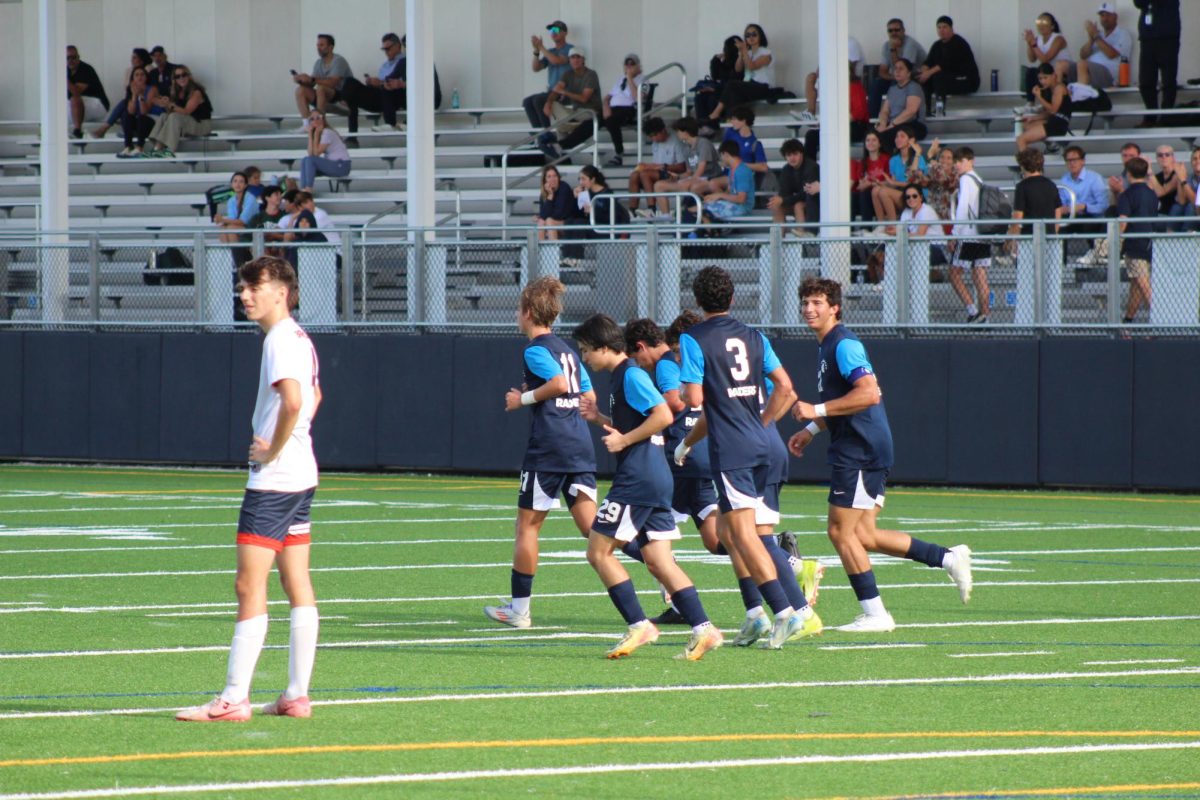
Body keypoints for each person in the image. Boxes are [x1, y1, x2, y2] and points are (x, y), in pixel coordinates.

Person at [175, 256, 321, 722]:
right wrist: (293, 441)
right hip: (302, 476)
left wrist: (272, 450)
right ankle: (296, 696)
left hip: (276, 481)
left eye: (253, 286)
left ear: (281, 290)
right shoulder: (299, 336)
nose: (245, 295)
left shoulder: (281, 338)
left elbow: (296, 400)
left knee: (247, 584)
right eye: (243, 287)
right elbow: (316, 396)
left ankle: (234, 698)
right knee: (296, 582)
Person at [789, 277, 971, 633]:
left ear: (835, 307)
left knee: (840, 533)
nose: (810, 309)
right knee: (865, 535)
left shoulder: (843, 344)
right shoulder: (827, 346)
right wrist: (811, 430)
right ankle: (949, 558)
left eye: (817, 303)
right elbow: (848, 401)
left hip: (859, 449)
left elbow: (869, 394)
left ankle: (876, 614)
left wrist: (816, 411)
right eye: (806, 303)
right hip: (862, 445)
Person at [676, 265, 820, 649]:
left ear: (697, 300)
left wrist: (695, 391)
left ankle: (786, 612)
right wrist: (762, 421)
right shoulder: (754, 336)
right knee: (727, 530)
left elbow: (693, 399)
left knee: (744, 534)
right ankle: (755, 615)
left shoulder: (694, 338)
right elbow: (786, 387)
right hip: (759, 444)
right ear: (733, 298)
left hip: (733, 451)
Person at [574, 313, 724, 661]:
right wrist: (600, 418)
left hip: (637, 479)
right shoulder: (620, 378)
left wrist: (624, 439)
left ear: (603, 346)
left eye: (585, 351)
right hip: (654, 477)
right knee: (658, 562)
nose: (584, 358)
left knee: (598, 552)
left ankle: (638, 624)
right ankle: (704, 629)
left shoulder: (631, 374)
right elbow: (641, 419)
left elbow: (663, 416)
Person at [483, 277, 598, 629]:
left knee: (527, 527)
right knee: (595, 530)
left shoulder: (535, 350)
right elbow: (587, 398)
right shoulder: (569, 351)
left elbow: (559, 386)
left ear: (529, 312)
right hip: (579, 444)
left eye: (519, 310)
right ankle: (662, 573)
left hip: (549, 447)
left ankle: (519, 612)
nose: (517, 317)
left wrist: (524, 399)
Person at [949, 147, 991, 324]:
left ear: (970, 161)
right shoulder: (978, 179)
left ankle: (973, 311)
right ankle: (985, 315)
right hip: (982, 234)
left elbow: (962, 207)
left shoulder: (966, 179)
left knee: (954, 273)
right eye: (956, 161)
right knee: (979, 275)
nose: (957, 165)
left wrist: (955, 233)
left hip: (968, 234)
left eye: (961, 161)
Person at [537, 50, 602, 159]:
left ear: (583, 60)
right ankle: (561, 153)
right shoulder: (568, 74)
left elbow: (584, 98)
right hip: (576, 113)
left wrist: (564, 92)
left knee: (560, 127)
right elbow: (556, 91)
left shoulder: (591, 74)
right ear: (569, 60)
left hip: (590, 112)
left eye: (578, 57)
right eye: (572, 57)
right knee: (552, 105)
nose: (575, 60)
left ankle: (564, 129)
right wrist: (548, 102)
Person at [338, 32, 407, 134]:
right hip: (380, 96)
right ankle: (352, 135)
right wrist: (371, 82)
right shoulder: (385, 65)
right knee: (350, 83)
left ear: (398, 46)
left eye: (388, 48)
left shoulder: (405, 61)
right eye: (384, 49)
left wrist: (380, 83)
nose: (386, 52)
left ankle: (390, 123)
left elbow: (398, 83)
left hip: (395, 97)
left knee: (385, 87)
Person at [652, 118, 722, 217]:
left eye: (678, 131)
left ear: (686, 131)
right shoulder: (686, 148)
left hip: (710, 178)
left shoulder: (703, 143)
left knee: (687, 185)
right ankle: (666, 216)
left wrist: (689, 180)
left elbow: (701, 168)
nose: (677, 134)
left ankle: (685, 211)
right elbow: (689, 171)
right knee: (659, 185)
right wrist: (678, 177)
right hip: (695, 179)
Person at [1116, 156, 1158, 323]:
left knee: (1144, 285)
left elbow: (1122, 221)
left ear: (1128, 173)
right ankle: (1127, 322)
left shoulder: (1127, 194)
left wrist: (1116, 243)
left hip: (1134, 244)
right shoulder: (1151, 193)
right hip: (1149, 242)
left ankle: (1160, 321)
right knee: (1136, 285)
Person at [707, 24, 776, 121]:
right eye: (748, 35)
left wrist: (744, 51)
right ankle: (732, 119)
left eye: (754, 34)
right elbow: (738, 69)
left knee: (732, 85)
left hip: (763, 86)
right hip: (750, 84)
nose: (751, 37)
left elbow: (752, 66)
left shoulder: (766, 53)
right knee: (732, 93)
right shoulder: (748, 52)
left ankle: (716, 113)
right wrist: (741, 54)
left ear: (760, 35)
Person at [802, 63, 870, 160]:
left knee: (816, 136)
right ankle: (810, 170)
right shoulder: (834, 88)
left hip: (856, 126)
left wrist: (834, 123)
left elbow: (858, 113)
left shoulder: (854, 86)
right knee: (811, 136)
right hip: (840, 126)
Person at [143, 65, 212, 158]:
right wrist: (164, 104)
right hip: (188, 123)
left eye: (184, 75)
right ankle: (157, 148)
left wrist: (169, 105)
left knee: (174, 117)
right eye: (177, 76)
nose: (181, 78)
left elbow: (186, 111)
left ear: (189, 76)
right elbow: (171, 112)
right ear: (174, 79)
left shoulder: (196, 92)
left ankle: (170, 150)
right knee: (164, 115)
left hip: (202, 124)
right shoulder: (176, 91)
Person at [915, 16, 980, 114]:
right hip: (948, 81)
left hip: (966, 81)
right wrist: (922, 72)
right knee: (924, 80)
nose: (941, 30)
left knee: (938, 77)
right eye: (939, 27)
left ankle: (940, 109)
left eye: (944, 27)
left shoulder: (958, 42)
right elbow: (928, 62)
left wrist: (928, 73)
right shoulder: (937, 45)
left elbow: (944, 64)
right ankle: (925, 111)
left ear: (951, 28)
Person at [626, 117, 688, 215]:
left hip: (673, 174)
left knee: (645, 174)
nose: (653, 138)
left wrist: (662, 167)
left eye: (655, 135)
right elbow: (656, 166)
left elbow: (682, 167)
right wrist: (648, 166)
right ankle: (632, 210)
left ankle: (651, 208)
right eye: (651, 136)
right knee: (634, 175)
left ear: (663, 131)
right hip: (658, 173)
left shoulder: (676, 142)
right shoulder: (655, 143)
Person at [1133, 0, 1180, 127]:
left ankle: (1166, 117)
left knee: (1168, 80)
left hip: (1168, 37)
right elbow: (1138, 2)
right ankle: (1151, 116)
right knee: (1146, 81)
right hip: (1147, 38)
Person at [868, 19, 927, 119]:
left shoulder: (910, 44)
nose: (893, 33)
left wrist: (893, 49)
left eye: (897, 30)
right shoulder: (886, 45)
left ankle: (895, 117)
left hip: (915, 77)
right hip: (897, 77)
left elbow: (902, 68)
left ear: (903, 31)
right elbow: (882, 72)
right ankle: (873, 120)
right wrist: (894, 76)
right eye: (890, 31)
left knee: (895, 84)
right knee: (876, 84)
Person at [292, 34, 352, 131]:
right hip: (324, 98)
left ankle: (320, 124)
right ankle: (307, 124)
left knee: (321, 88)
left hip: (342, 99)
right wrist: (301, 80)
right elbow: (312, 83)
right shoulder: (318, 63)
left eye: (321, 45)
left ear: (330, 47)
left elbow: (333, 83)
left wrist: (311, 79)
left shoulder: (339, 61)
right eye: (317, 45)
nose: (318, 48)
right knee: (300, 90)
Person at [799, 37, 864, 124]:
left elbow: (851, 68)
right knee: (811, 77)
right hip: (835, 78)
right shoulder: (828, 46)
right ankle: (810, 113)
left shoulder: (851, 43)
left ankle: (830, 120)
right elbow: (819, 71)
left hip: (853, 79)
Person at [91, 47, 152, 139]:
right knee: (124, 108)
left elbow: (144, 88)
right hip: (133, 101)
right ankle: (127, 134)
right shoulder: (130, 71)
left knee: (124, 103)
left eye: (135, 57)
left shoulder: (149, 69)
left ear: (142, 59)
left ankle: (104, 129)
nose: (132, 60)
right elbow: (128, 90)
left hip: (146, 104)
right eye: (132, 57)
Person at [1070, 3, 1133, 90]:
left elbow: (1111, 54)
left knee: (1081, 64)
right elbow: (1083, 55)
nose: (1105, 19)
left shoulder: (1123, 34)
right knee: (1063, 65)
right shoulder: (1099, 35)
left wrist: (1096, 36)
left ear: (1115, 16)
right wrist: (1091, 39)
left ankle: (1081, 99)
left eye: (1108, 15)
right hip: (1090, 71)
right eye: (1102, 16)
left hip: (1109, 75)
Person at [524, 20, 574, 130]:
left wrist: (541, 47)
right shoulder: (550, 51)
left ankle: (547, 135)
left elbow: (557, 61)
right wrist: (536, 51)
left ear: (565, 33)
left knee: (539, 100)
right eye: (551, 30)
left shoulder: (571, 49)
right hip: (552, 92)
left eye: (556, 30)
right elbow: (536, 68)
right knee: (527, 101)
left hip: (565, 93)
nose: (553, 32)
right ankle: (537, 137)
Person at [895, 182, 950, 279]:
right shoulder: (906, 212)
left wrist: (900, 234)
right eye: (908, 197)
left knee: (908, 252)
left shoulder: (926, 210)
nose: (911, 199)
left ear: (920, 197)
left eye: (914, 196)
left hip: (937, 247)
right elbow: (901, 231)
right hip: (917, 247)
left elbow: (920, 234)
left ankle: (930, 277)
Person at [1008, 148, 1064, 242]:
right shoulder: (1051, 184)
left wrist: (1012, 240)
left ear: (1023, 166)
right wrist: (1054, 231)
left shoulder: (1022, 187)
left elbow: (1018, 216)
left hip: (1029, 238)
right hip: (1049, 238)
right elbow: (1058, 210)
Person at [874, 126, 926, 225]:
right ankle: (880, 225)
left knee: (883, 192)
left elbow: (915, 185)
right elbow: (893, 184)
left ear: (911, 141)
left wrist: (892, 182)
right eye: (897, 136)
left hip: (915, 197)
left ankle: (893, 226)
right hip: (901, 194)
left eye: (902, 136)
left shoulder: (918, 158)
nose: (898, 139)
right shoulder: (893, 160)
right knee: (875, 190)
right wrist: (880, 183)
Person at [600, 54, 645, 167]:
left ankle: (619, 153)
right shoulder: (620, 79)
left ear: (638, 66)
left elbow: (638, 98)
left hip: (628, 109)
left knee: (611, 121)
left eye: (632, 64)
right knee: (593, 120)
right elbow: (608, 96)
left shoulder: (643, 79)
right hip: (613, 108)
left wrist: (630, 77)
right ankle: (564, 145)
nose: (629, 66)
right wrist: (606, 106)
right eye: (627, 64)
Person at [1015, 63, 1072, 152]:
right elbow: (1048, 113)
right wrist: (1033, 118)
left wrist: (1039, 97)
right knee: (1026, 125)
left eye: (1045, 78)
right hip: (1053, 120)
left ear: (1053, 75)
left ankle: (1025, 163)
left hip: (1058, 124)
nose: (1043, 81)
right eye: (1040, 79)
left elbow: (1053, 110)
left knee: (1021, 139)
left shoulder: (1059, 88)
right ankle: (1052, 146)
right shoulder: (1048, 90)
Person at [698, 140, 755, 225]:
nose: (721, 159)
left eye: (721, 156)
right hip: (734, 205)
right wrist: (714, 198)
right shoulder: (732, 170)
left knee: (701, 210)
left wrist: (719, 195)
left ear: (725, 154)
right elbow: (729, 191)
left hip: (742, 208)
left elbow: (741, 199)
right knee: (702, 206)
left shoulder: (742, 171)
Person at [769, 138, 819, 233]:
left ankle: (802, 237)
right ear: (785, 157)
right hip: (798, 201)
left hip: (815, 203)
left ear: (801, 154)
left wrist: (783, 200)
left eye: (795, 154)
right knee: (778, 206)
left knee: (798, 205)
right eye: (789, 155)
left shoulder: (812, 167)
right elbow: (784, 193)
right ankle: (777, 243)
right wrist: (778, 201)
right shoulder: (786, 170)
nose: (792, 158)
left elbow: (807, 193)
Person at [875, 58, 927, 149]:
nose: (897, 71)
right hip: (894, 124)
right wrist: (883, 125)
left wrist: (891, 125)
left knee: (887, 136)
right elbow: (884, 111)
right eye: (895, 68)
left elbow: (911, 111)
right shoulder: (892, 89)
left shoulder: (914, 87)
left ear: (909, 73)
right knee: (871, 134)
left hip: (913, 125)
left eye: (901, 68)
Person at [1022, 12, 1072, 105]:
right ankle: (1030, 103)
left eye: (1044, 22)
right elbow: (1032, 59)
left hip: (1061, 75)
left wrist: (1033, 44)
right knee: (1031, 71)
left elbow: (1045, 59)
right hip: (1048, 74)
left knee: (1045, 75)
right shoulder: (1038, 39)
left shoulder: (1058, 39)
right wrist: (1029, 43)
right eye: (1039, 22)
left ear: (1052, 26)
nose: (1041, 25)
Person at [695, 36, 745, 124]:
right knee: (699, 97)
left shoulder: (740, 62)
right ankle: (702, 125)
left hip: (730, 92)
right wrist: (715, 60)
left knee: (713, 98)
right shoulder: (723, 62)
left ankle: (711, 126)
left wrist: (715, 88)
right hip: (720, 88)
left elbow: (735, 81)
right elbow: (715, 76)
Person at [298, 111, 351, 193]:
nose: (315, 120)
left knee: (310, 160)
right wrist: (310, 134)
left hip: (341, 165)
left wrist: (315, 135)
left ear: (323, 119)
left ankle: (308, 190)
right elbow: (310, 153)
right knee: (305, 160)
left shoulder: (327, 132)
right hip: (333, 165)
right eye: (312, 119)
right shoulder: (319, 133)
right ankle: (303, 190)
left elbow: (316, 154)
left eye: (318, 117)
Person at [66, 46, 109, 139]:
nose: (70, 60)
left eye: (73, 57)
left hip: (98, 104)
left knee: (75, 99)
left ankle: (77, 131)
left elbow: (76, 92)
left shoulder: (85, 69)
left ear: (78, 57)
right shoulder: (65, 70)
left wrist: (64, 78)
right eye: (67, 58)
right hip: (80, 106)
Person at [115, 66, 158, 158]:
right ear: (133, 78)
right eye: (136, 75)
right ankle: (128, 146)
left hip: (150, 121)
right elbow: (131, 111)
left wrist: (141, 95)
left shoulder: (152, 89)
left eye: (142, 74)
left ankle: (140, 147)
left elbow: (144, 111)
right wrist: (134, 95)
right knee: (126, 115)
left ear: (146, 77)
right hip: (137, 123)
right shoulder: (131, 89)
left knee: (142, 118)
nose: (140, 77)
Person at [852, 130, 891, 225]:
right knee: (853, 196)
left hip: (881, 196)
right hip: (866, 198)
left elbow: (890, 183)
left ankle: (866, 228)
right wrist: (865, 184)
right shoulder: (862, 162)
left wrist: (872, 184)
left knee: (866, 193)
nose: (870, 143)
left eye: (874, 140)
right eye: (868, 140)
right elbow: (860, 185)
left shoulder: (887, 159)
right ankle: (849, 229)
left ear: (879, 143)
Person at [1151, 145, 1190, 227]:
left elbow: (1161, 192)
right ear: (1157, 159)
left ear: (1173, 157)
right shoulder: (1157, 177)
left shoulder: (1178, 173)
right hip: (1160, 213)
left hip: (1175, 214)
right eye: (1160, 155)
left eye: (1167, 154)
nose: (1164, 157)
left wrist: (1149, 173)